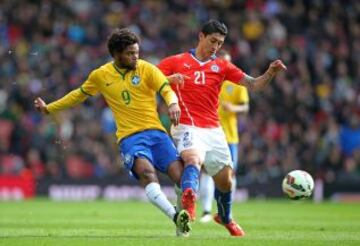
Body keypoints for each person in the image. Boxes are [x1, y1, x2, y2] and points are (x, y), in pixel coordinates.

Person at [34, 28, 191, 237]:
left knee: (180, 177)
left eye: (137, 52)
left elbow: (165, 88)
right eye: (130, 53)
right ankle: (175, 216)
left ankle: (181, 221)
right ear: (116, 54)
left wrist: (172, 104)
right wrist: (49, 108)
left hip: (157, 134)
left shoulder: (146, 68)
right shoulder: (101, 75)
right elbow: (77, 95)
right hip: (130, 138)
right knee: (146, 173)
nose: (135, 57)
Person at [158, 20, 286, 237]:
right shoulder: (175, 61)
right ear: (201, 36)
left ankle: (224, 217)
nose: (215, 46)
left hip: (214, 130)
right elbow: (149, 80)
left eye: (220, 43)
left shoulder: (222, 66)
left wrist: (271, 73)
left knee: (226, 181)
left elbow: (254, 84)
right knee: (193, 158)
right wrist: (169, 89)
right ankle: (189, 201)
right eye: (212, 41)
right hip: (186, 125)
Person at [199, 50, 250, 223]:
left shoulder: (236, 84)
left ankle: (227, 212)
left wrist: (233, 109)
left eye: (228, 63)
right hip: (208, 133)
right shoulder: (207, 81)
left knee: (230, 175)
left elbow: (245, 107)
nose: (225, 66)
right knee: (206, 172)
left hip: (229, 137)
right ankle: (206, 211)